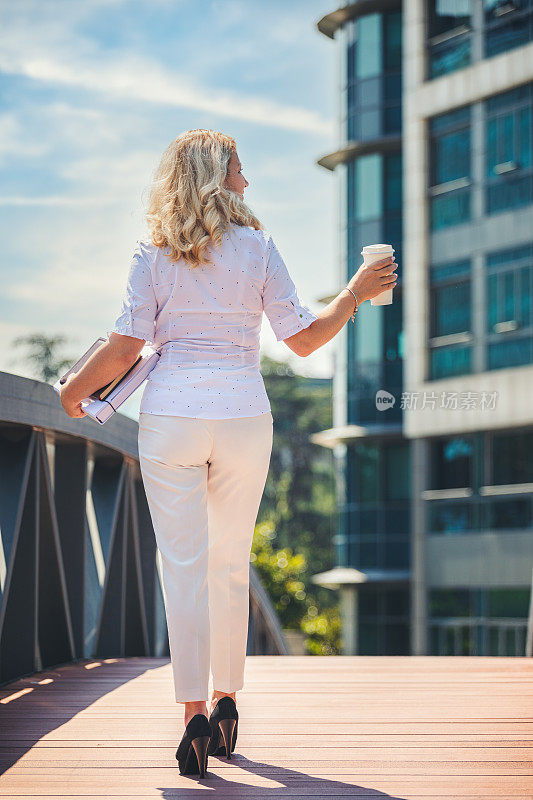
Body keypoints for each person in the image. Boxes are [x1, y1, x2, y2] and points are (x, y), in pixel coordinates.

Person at [59, 128, 397, 776]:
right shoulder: (257, 248)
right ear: (218, 175)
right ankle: (226, 700)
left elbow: (127, 344)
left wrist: (73, 392)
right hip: (244, 416)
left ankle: (190, 713)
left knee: (182, 568)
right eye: (239, 164)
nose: (247, 176)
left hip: (173, 420)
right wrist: (353, 293)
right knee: (228, 565)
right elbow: (301, 340)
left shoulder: (153, 251)